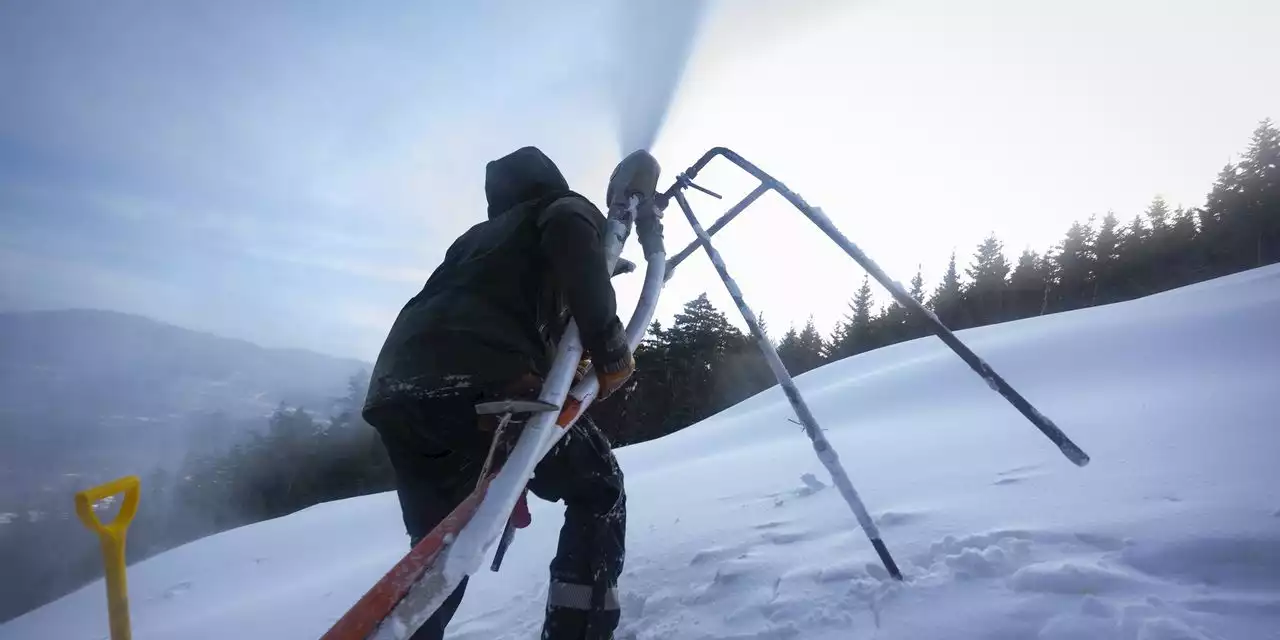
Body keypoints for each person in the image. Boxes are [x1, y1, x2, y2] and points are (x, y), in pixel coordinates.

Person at [362, 146, 646, 640]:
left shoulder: (476, 242)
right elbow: (572, 241)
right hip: (487, 384)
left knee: (439, 554)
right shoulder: (560, 208)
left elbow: (501, 304)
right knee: (599, 489)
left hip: (397, 396)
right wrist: (609, 347)